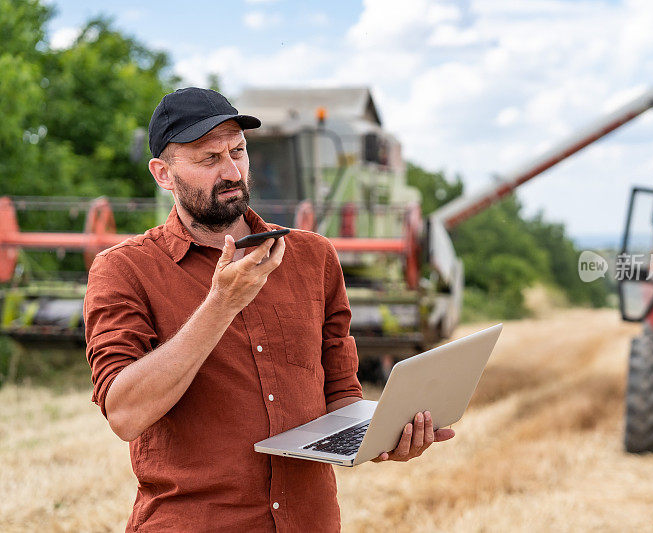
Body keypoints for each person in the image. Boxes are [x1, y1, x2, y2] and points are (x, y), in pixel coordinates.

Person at [84, 87, 454, 532]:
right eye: (208, 159)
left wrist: (384, 435)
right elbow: (125, 415)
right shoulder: (123, 270)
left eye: (237, 152)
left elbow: (340, 392)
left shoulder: (313, 256)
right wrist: (221, 303)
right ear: (163, 174)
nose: (231, 171)